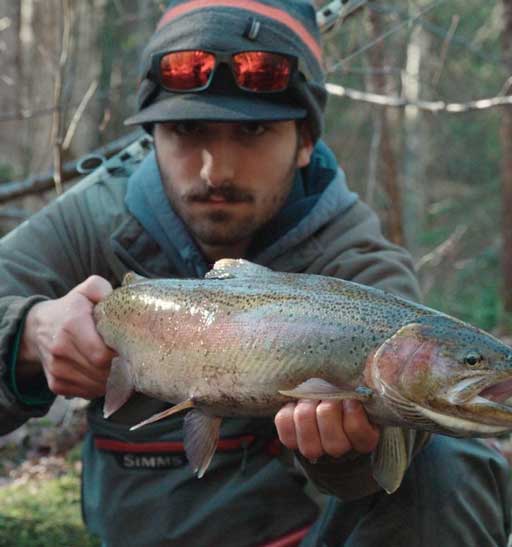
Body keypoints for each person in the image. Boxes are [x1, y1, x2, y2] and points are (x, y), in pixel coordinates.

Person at [0, 1, 510, 545]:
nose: (215, 169)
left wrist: (352, 449)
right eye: (187, 129)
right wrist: (26, 336)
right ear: (151, 136)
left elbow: (394, 463)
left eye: (254, 132)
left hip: (309, 534)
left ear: (306, 141)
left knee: (448, 449)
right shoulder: (88, 223)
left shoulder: (356, 257)